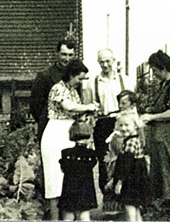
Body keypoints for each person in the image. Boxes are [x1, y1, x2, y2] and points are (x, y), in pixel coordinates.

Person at [41, 59, 100, 220]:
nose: (81, 82)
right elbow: (69, 107)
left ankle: (69, 216)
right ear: (71, 75)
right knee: (54, 179)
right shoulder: (58, 88)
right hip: (55, 132)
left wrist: (90, 111)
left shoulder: (73, 90)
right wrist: (88, 107)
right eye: (80, 78)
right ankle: (55, 218)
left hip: (69, 133)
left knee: (70, 179)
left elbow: (77, 111)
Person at [140, 50, 170, 222]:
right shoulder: (165, 84)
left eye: (154, 70)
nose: (153, 74)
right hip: (162, 137)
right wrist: (149, 111)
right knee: (164, 174)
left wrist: (151, 117)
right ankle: (167, 214)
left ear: (162, 68)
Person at [82, 48, 136, 192]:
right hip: (103, 124)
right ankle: (108, 199)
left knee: (124, 158)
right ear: (98, 62)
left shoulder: (125, 80)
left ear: (113, 60)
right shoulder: (92, 82)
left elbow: (133, 105)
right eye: (101, 62)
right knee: (104, 160)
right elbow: (88, 107)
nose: (105, 65)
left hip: (123, 122)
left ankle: (125, 197)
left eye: (107, 61)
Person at [31, 39, 76, 141]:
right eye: (64, 54)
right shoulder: (45, 75)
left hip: (71, 127)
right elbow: (35, 106)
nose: (67, 58)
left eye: (70, 55)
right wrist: (45, 121)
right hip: (50, 127)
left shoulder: (76, 76)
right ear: (57, 54)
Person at [110, 113, 151, 221]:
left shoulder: (130, 142)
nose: (123, 128)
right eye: (121, 125)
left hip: (131, 179)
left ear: (135, 126)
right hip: (138, 177)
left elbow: (126, 165)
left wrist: (119, 182)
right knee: (135, 207)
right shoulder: (135, 139)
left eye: (127, 125)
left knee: (129, 207)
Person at [58, 118, 98, 221]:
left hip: (69, 187)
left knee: (68, 214)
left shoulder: (66, 153)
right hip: (86, 187)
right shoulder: (91, 154)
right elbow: (92, 165)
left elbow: (63, 169)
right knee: (84, 214)